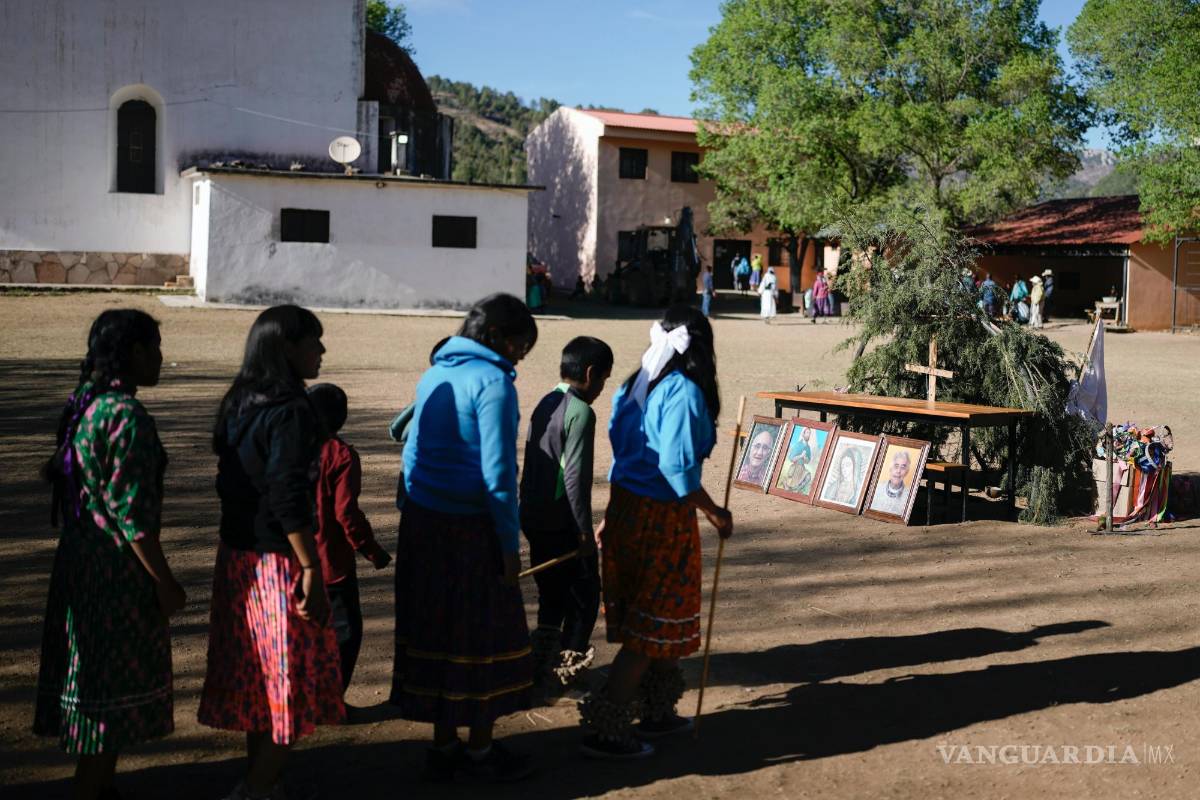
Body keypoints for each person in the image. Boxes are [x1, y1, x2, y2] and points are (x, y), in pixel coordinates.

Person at [34, 309, 185, 800]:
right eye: (155, 347)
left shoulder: (87, 404)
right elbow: (133, 516)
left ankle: (96, 783)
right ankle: (92, 786)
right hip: (114, 570)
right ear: (135, 353)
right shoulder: (124, 416)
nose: (161, 358)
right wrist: (163, 581)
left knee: (95, 675)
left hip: (80, 560)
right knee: (106, 682)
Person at [198, 305, 345, 800]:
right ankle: (257, 788)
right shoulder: (292, 410)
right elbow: (287, 495)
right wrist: (310, 567)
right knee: (292, 684)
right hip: (279, 563)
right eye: (314, 341)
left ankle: (264, 779)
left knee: (259, 683)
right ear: (286, 347)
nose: (321, 351)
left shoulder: (240, 400)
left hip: (238, 559)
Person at [392, 293, 538, 782]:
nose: (520, 355)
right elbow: (498, 476)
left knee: (435, 631)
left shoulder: (435, 372)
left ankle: (442, 743)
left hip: (423, 523)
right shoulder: (493, 382)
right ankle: (479, 749)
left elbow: (410, 451)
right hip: (470, 533)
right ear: (497, 337)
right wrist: (508, 546)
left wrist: (413, 508)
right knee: (480, 638)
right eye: (520, 345)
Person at [579, 305, 733, 759]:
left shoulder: (633, 385)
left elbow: (624, 457)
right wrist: (715, 512)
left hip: (629, 510)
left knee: (659, 620)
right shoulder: (682, 392)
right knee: (649, 625)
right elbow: (676, 469)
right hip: (662, 519)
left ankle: (658, 710)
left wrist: (612, 512)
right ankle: (608, 728)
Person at [520, 336, 614, 698]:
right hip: (562, 522)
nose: (602, 389)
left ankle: (541, 666)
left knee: (551, 596)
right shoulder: (581, 413)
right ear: (590, 374)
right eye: (604, 380)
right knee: (585, 595)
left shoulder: (545, 401)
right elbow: (575, 479)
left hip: (532, 514)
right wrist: (584, 534)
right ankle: (565, 671)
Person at [307, 383, 392, 697]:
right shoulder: (341, 455)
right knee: (345, 632)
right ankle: (328, 700)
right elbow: (346, 514)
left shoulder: (290, 447)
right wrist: (372, 551)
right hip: (331, 562)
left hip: (290, 557)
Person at [869, 450, 913, 516]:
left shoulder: (909, 494)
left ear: (907, 472)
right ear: (891, 468)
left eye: (903, 467)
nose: (898, 471)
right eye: (896, 466)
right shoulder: (877, 488)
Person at [778, 427, 815, 495]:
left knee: (808, 477)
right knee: (790, 486)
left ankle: (796, 490)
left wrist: (805, 457)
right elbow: (791, 458)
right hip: (795, 468)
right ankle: (786, 483)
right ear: (803, 434)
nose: (808, 435)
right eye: (807, 433)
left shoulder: (808, 447)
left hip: (802, 468)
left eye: (809, 433)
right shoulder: (798, 445)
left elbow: (807, 461)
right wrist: (800, 456)